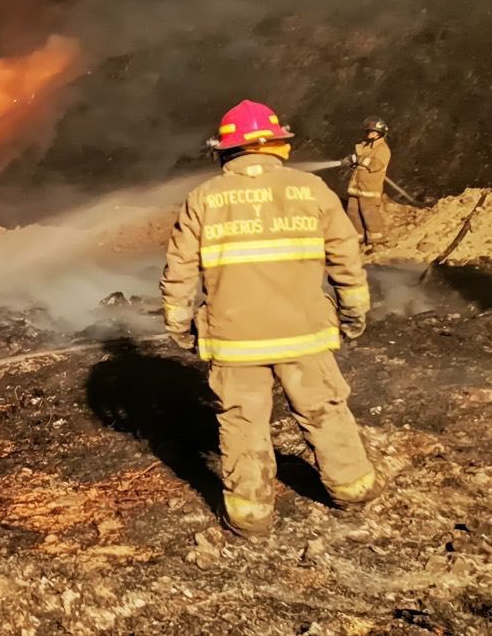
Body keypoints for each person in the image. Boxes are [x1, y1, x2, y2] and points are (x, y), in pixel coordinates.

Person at [160, 100, 381, 537]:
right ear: (278, 144)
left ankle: (251, 515)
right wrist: (353, 312)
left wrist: (180, 325)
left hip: (235, 340)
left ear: (225, 150)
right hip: (303, 332)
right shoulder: (312, 189)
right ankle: (352, 489)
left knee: (243, 423)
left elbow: (179, 271)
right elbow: (346, 258)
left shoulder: (204, 198)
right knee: (324, 409)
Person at [344, 116, 393, 247]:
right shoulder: (365, 146)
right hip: (356, 187)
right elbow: (359, 163)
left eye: (373, 132)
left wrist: (359, 159)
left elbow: (376, 165)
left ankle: (377, 240)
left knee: (369, 213)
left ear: (380, 133)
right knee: (352, 212)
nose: (370, 134)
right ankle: (357, 238)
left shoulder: (383, 149)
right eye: (368, 131)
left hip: (369, 189)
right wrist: (351, 161)